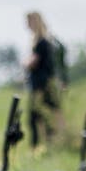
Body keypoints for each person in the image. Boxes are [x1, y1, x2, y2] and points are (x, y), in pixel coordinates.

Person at [23, 11, 62, 149]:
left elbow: (32, 62)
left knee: (36, 119)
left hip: (41, 87)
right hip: (44, 85)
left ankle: (37, 147)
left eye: (29, 22)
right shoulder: (44, 41)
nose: (27, 25)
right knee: (44, 118)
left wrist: (25, 63)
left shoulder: (41, 42)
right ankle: (46, 146)